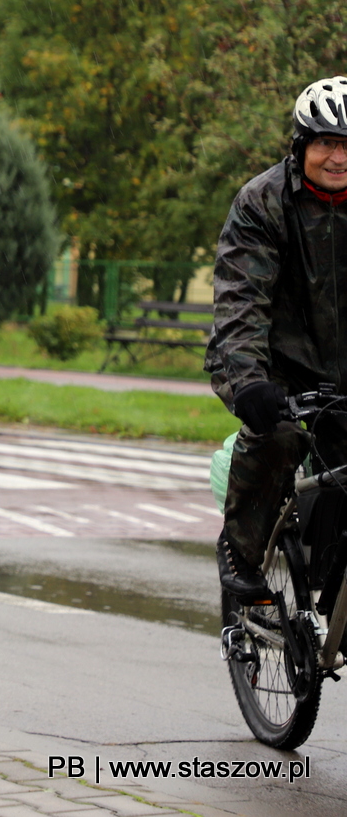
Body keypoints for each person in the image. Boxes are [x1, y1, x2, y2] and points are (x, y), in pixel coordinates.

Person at [207, 76, 347, 605]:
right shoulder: (263, 202)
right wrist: (249, 380)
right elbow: (242, 299)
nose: (338, 157)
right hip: (269, 360)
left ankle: (332, 589)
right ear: (301, 146)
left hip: (341, 368)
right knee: (279, 434)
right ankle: (240, 550)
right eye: (326, 143)